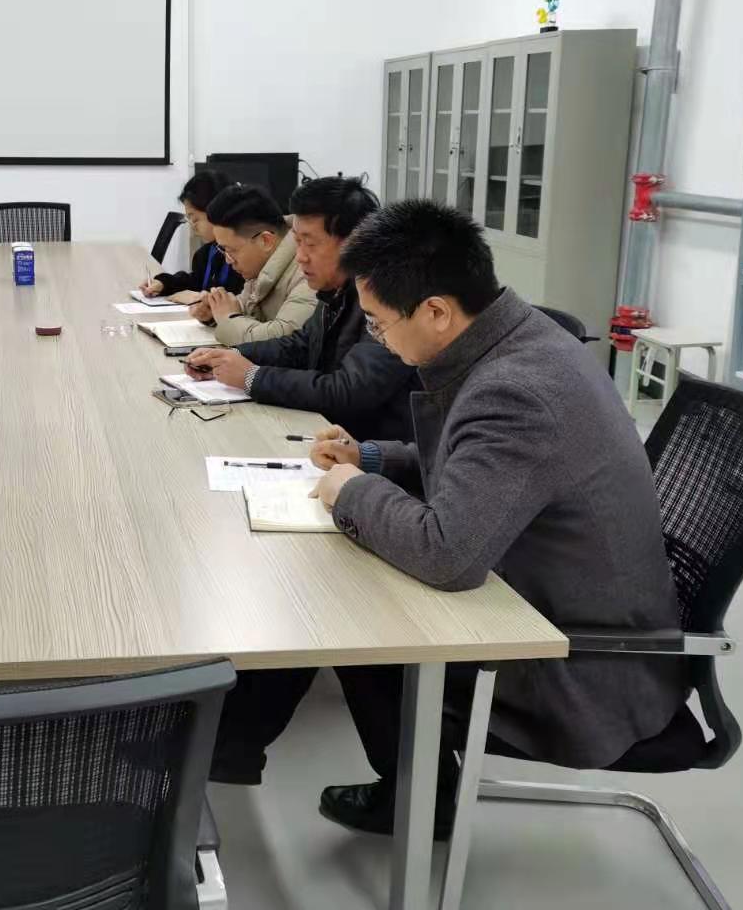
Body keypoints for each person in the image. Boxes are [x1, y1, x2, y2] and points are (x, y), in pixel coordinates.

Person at [213, 199, 686, 840]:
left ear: (436, 310)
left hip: (577, 662)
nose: (377, 338)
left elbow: (446, 553)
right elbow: (473, 465)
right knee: (344, 581)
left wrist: (351, 490)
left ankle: (406, 799)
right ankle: (234, 750)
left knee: (353, 617)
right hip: (544, 599)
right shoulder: (516, 339)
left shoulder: (517, 390)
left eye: (379, 324)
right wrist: (370, 458)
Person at [185, 176, 415, 442]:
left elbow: (349, 390)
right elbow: (300, 345)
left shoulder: (388, 298)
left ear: (353, 242)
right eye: (297, 242)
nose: (300, 256)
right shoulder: (336, 288)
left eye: (311, 244)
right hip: (330, 436)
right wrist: (230, 355)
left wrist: (252, 377)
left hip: (373, 450)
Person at [189, 183, 316, 345]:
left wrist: (229, 318)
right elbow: (247, 309)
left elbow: (282, 340)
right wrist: (215, 312)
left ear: (265, 241)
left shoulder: (308, 271)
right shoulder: (262, 266)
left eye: (231, 250)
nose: (228, 260)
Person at [139, 171, 245, 304]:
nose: (193, 227)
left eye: (195, 219)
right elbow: (195, 281)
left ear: (217, 211)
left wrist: (200, 298)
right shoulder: (206, 253)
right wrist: (164, 283)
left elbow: (242, 302)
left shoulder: (242, 258)